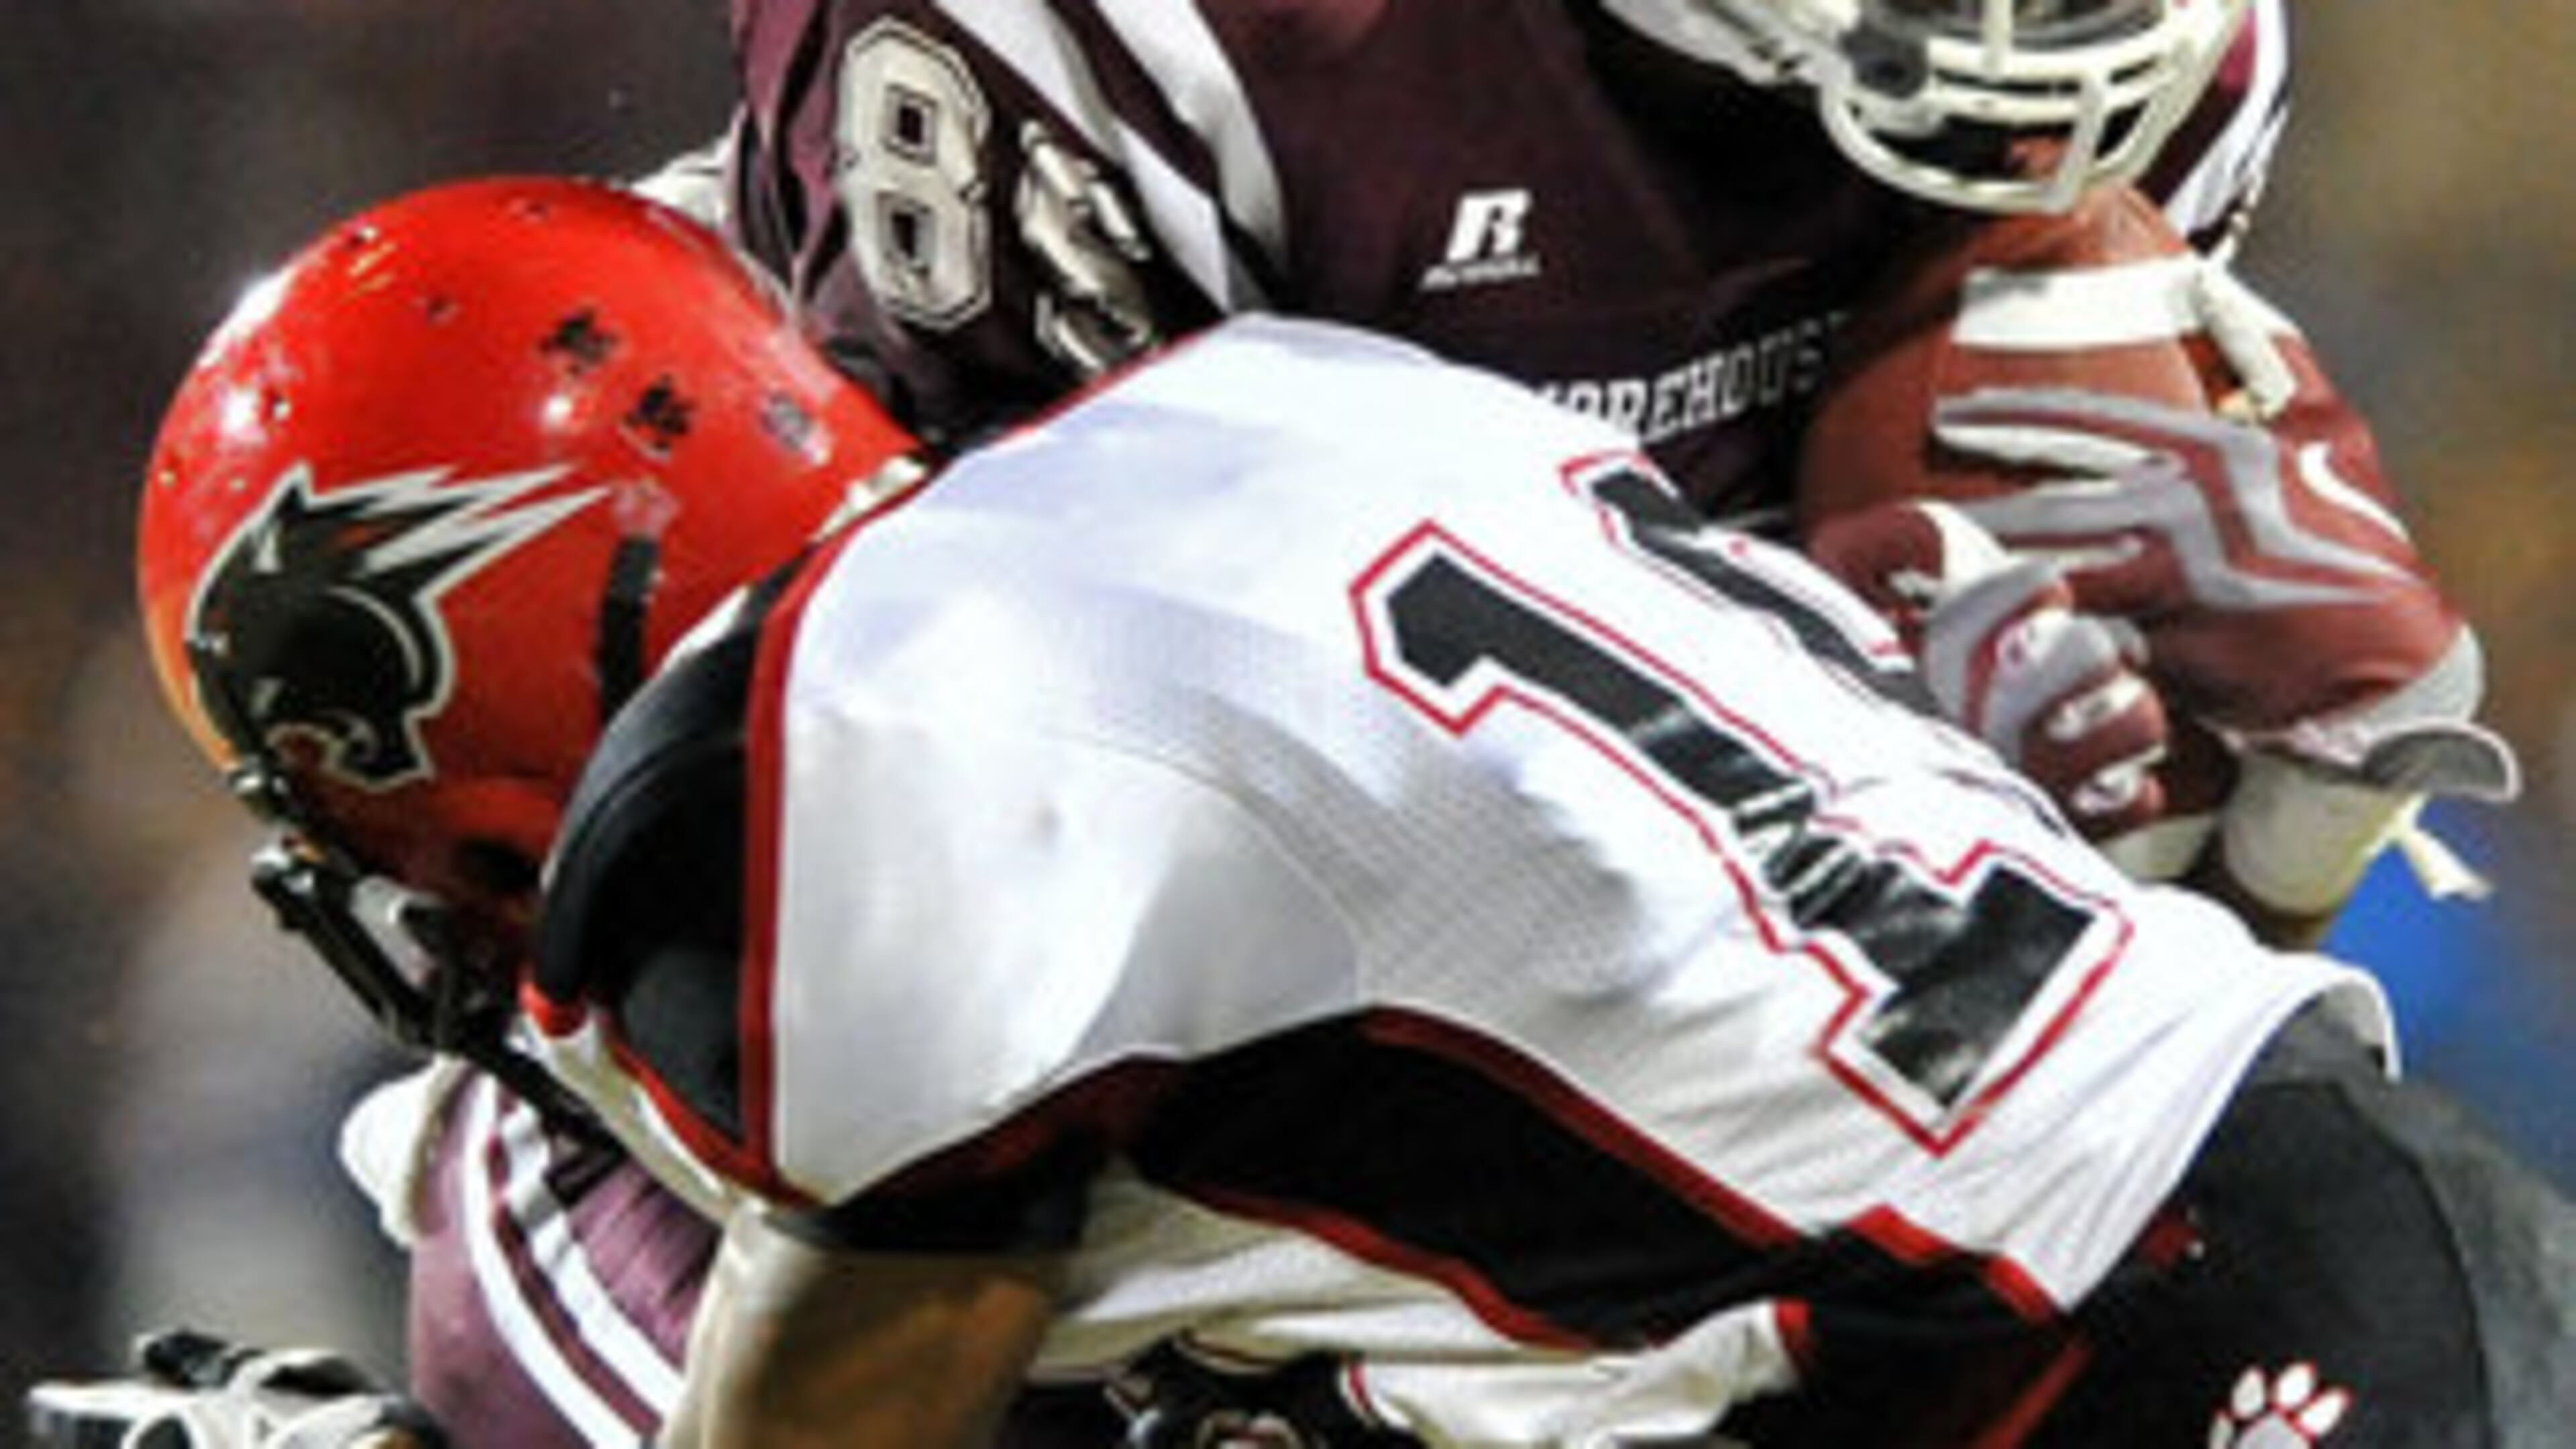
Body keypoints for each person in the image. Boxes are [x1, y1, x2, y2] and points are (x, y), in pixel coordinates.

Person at [100, 176, 2574, 1445]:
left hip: (2125, 1351)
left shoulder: (813, 761)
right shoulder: (1278, 400)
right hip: (2306, 1220)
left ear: (429, 660)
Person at [702, 0, 2516, 947]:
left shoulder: (2137, 78)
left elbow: (2078, 1135)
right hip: (1051, 1028)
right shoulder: (1141, 48)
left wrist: (2261, 855)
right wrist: (1827, 748)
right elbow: (1002, 875)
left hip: (1698, 1078)